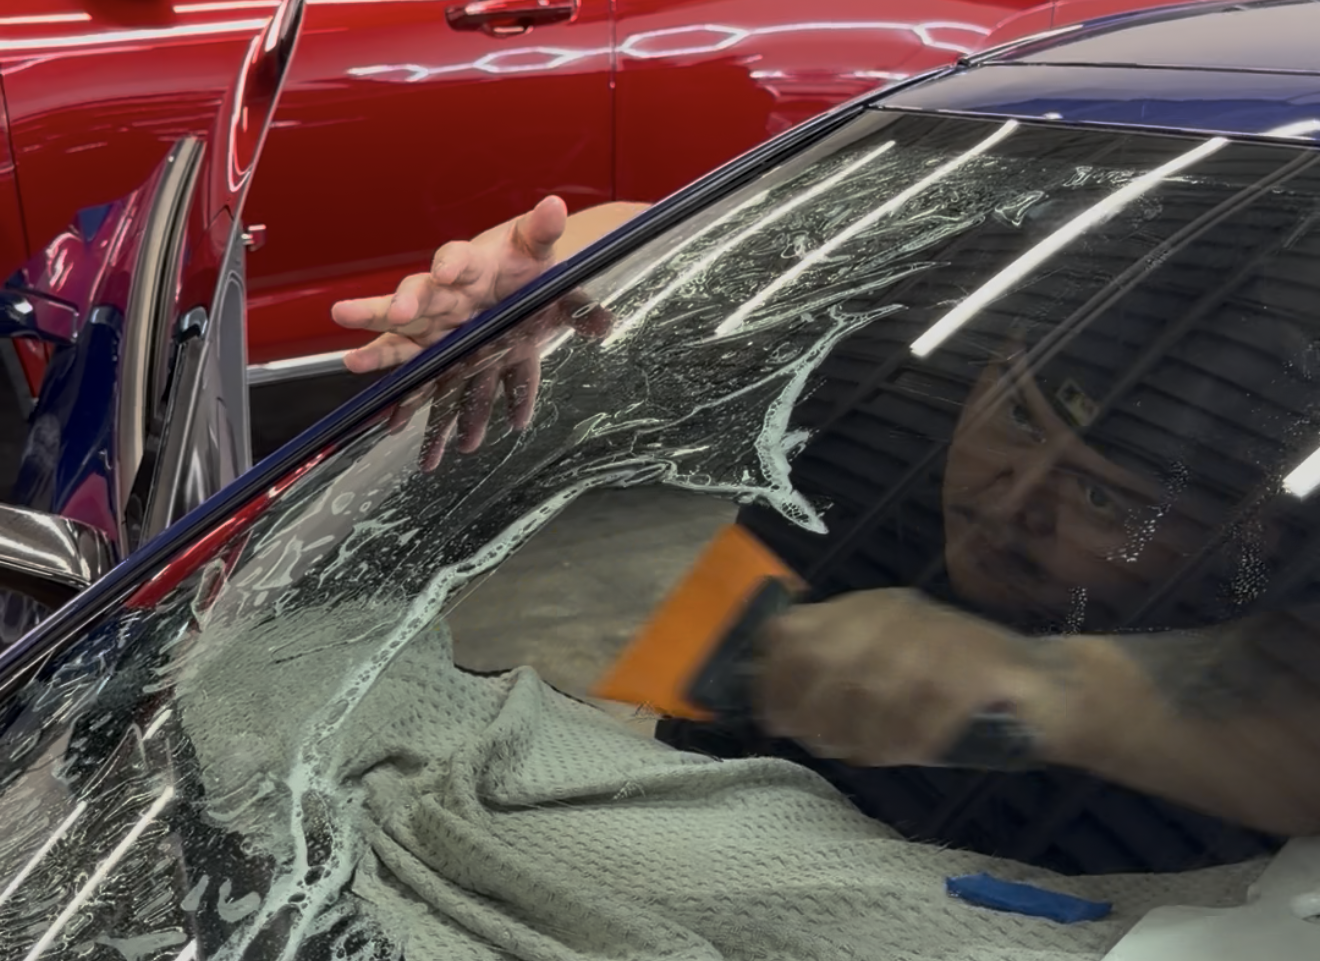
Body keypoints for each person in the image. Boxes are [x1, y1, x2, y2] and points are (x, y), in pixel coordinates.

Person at [331, 192, 1320, 850]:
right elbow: (731, 249)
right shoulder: (898, 372)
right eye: (1016, 416)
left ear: (1249, 542)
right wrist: (548, 278)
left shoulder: (1276, 572)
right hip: (704, 848)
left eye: (1107, 499)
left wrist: (1045, 687)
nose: (1009, 502)